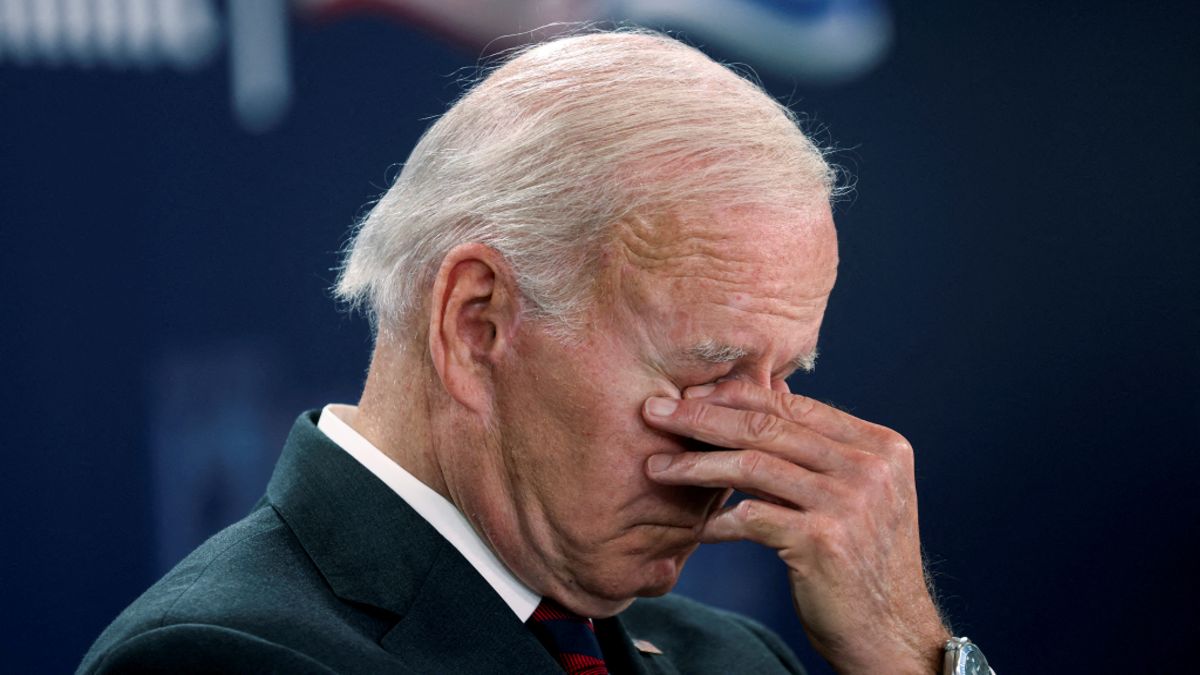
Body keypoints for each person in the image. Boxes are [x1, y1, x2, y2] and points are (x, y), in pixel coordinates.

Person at [79, 29, 989, 675]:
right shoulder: (222, 656)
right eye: (705, 373)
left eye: (783, 377)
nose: (742, 456)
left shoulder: (734, 657)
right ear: (477, 325)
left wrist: (914, 660)